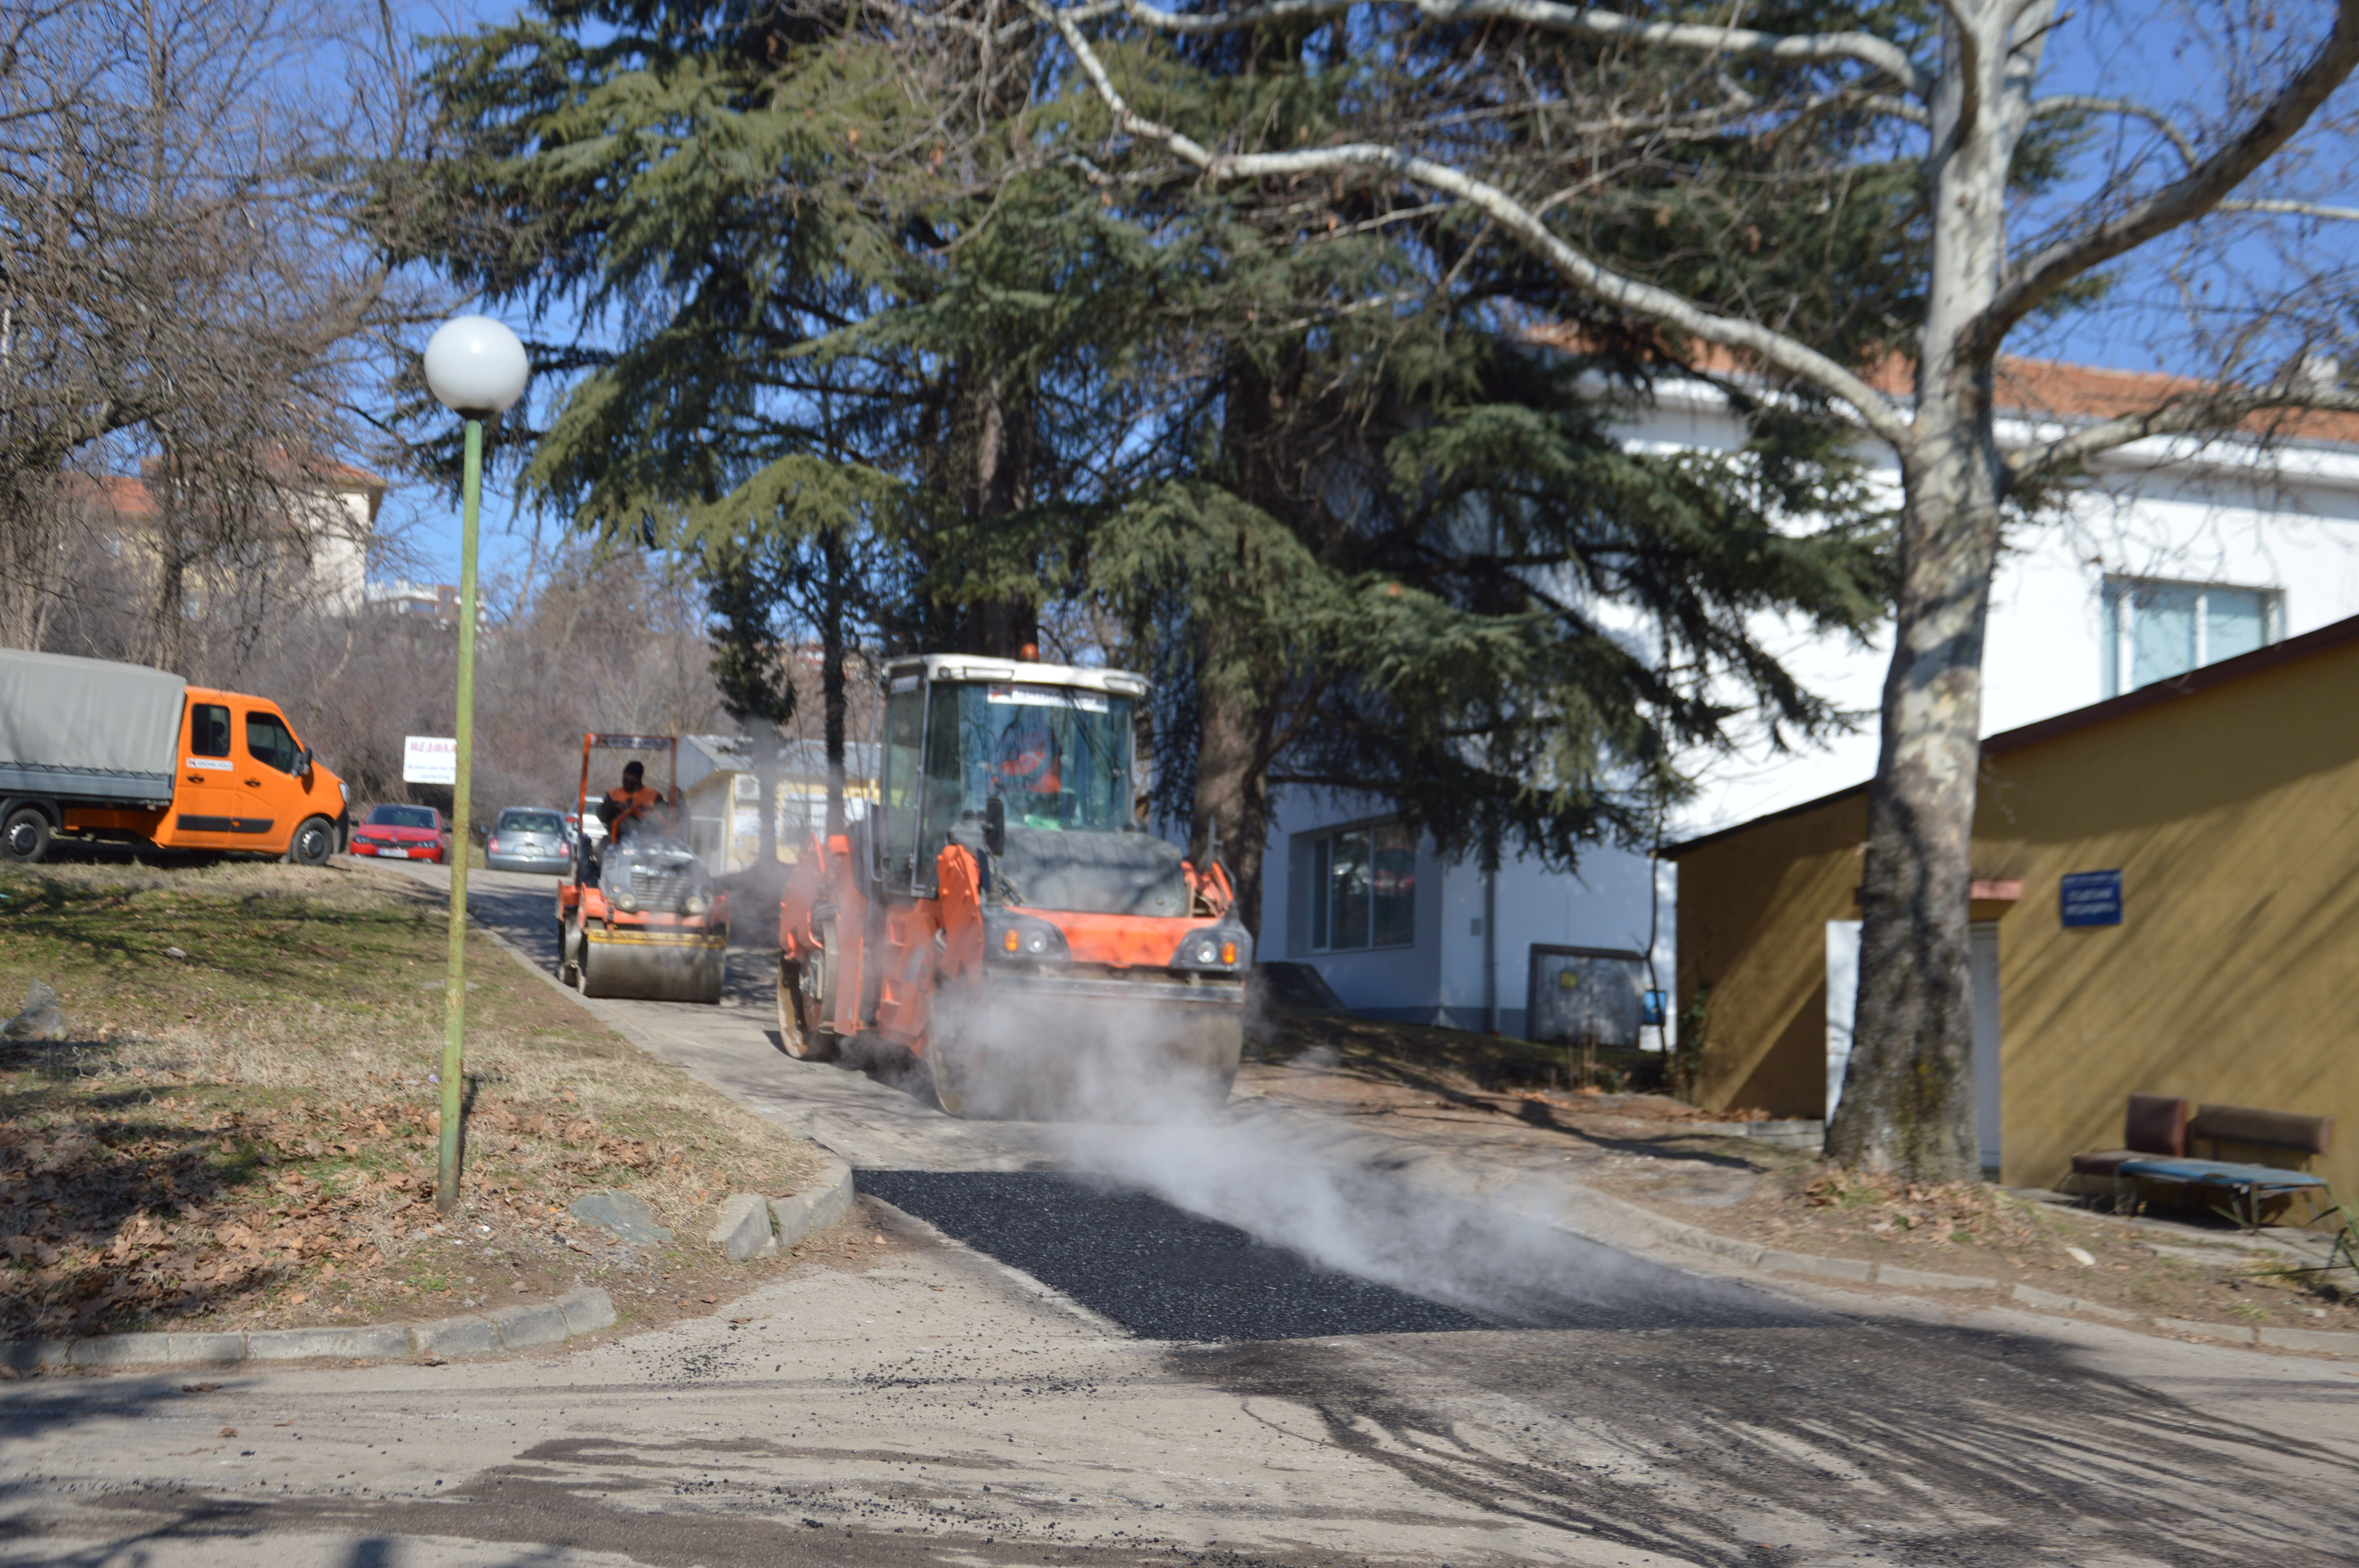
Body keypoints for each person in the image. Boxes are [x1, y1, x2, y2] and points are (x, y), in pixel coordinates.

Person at [596, 760, 665, 846]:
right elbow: (602, 816)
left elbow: (664, 817)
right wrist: (615, 807)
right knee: (604, 847)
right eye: (625, 776)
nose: (626, 779)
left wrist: (643, 809)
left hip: (647, 839)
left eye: (630, 777)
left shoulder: (654, 796)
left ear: (638, 778)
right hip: (617, 838)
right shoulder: (614, 794)